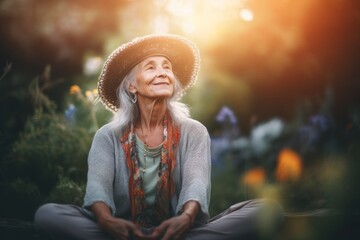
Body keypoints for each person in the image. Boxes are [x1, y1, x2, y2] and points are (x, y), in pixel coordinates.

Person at [34, 34, 283, 240]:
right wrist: (108, 221)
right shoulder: (107, 136)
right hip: (122, 232)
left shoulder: (193, 131)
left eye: (167, 67)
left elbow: (196, 184)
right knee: (47, 214)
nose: (163, 72)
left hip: (180, 233)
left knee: (268, 209)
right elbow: (97, 187)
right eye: (150, 67)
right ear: (132, 86)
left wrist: (185, 219)